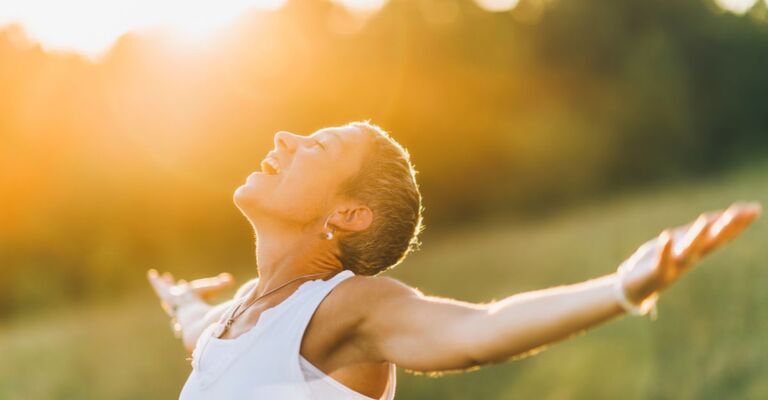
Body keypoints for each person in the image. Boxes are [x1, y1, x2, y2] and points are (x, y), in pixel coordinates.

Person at [147, 121, 761, 400]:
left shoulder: (345, 307)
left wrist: (624, 287)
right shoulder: (243, 313)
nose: (284, 138)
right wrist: (184, 304)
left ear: (349, 215)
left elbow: (479, 331)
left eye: (318, 145)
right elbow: (205, 336)